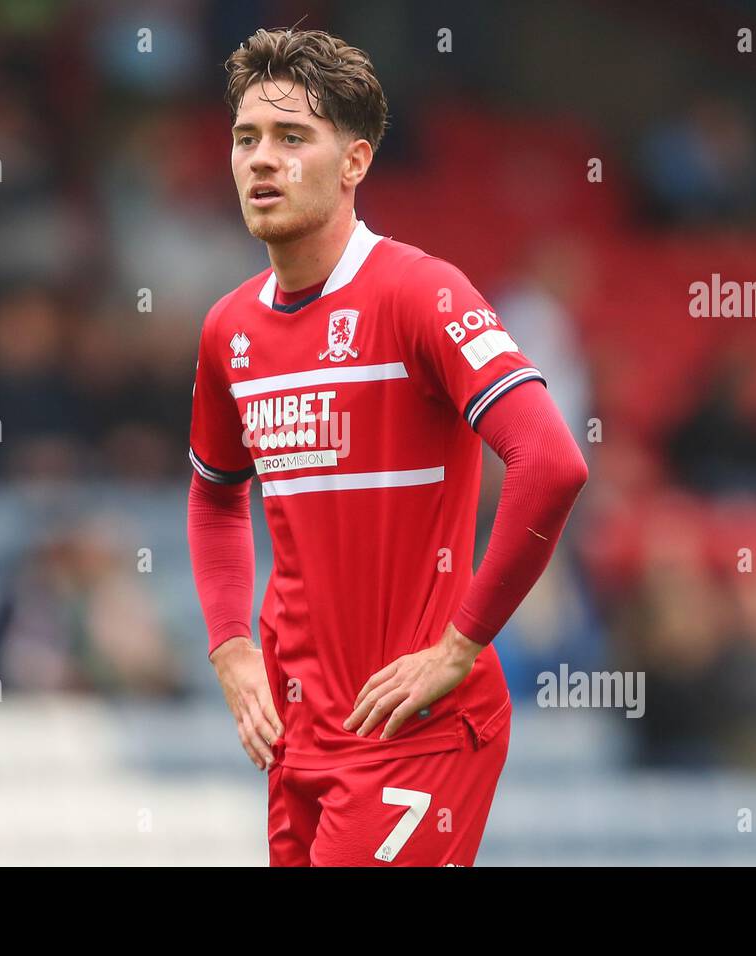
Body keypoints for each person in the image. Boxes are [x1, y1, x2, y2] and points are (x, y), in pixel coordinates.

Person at [186, 28, 588, 866]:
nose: (262, 159)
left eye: (293, 138)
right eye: (246, 138)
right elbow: (216, 492)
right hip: (296, 731)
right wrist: (229, 646)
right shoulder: (230, 330)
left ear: (355, 162)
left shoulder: (420, 293)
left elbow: (551, 462)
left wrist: (461, 646)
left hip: (413, 730)